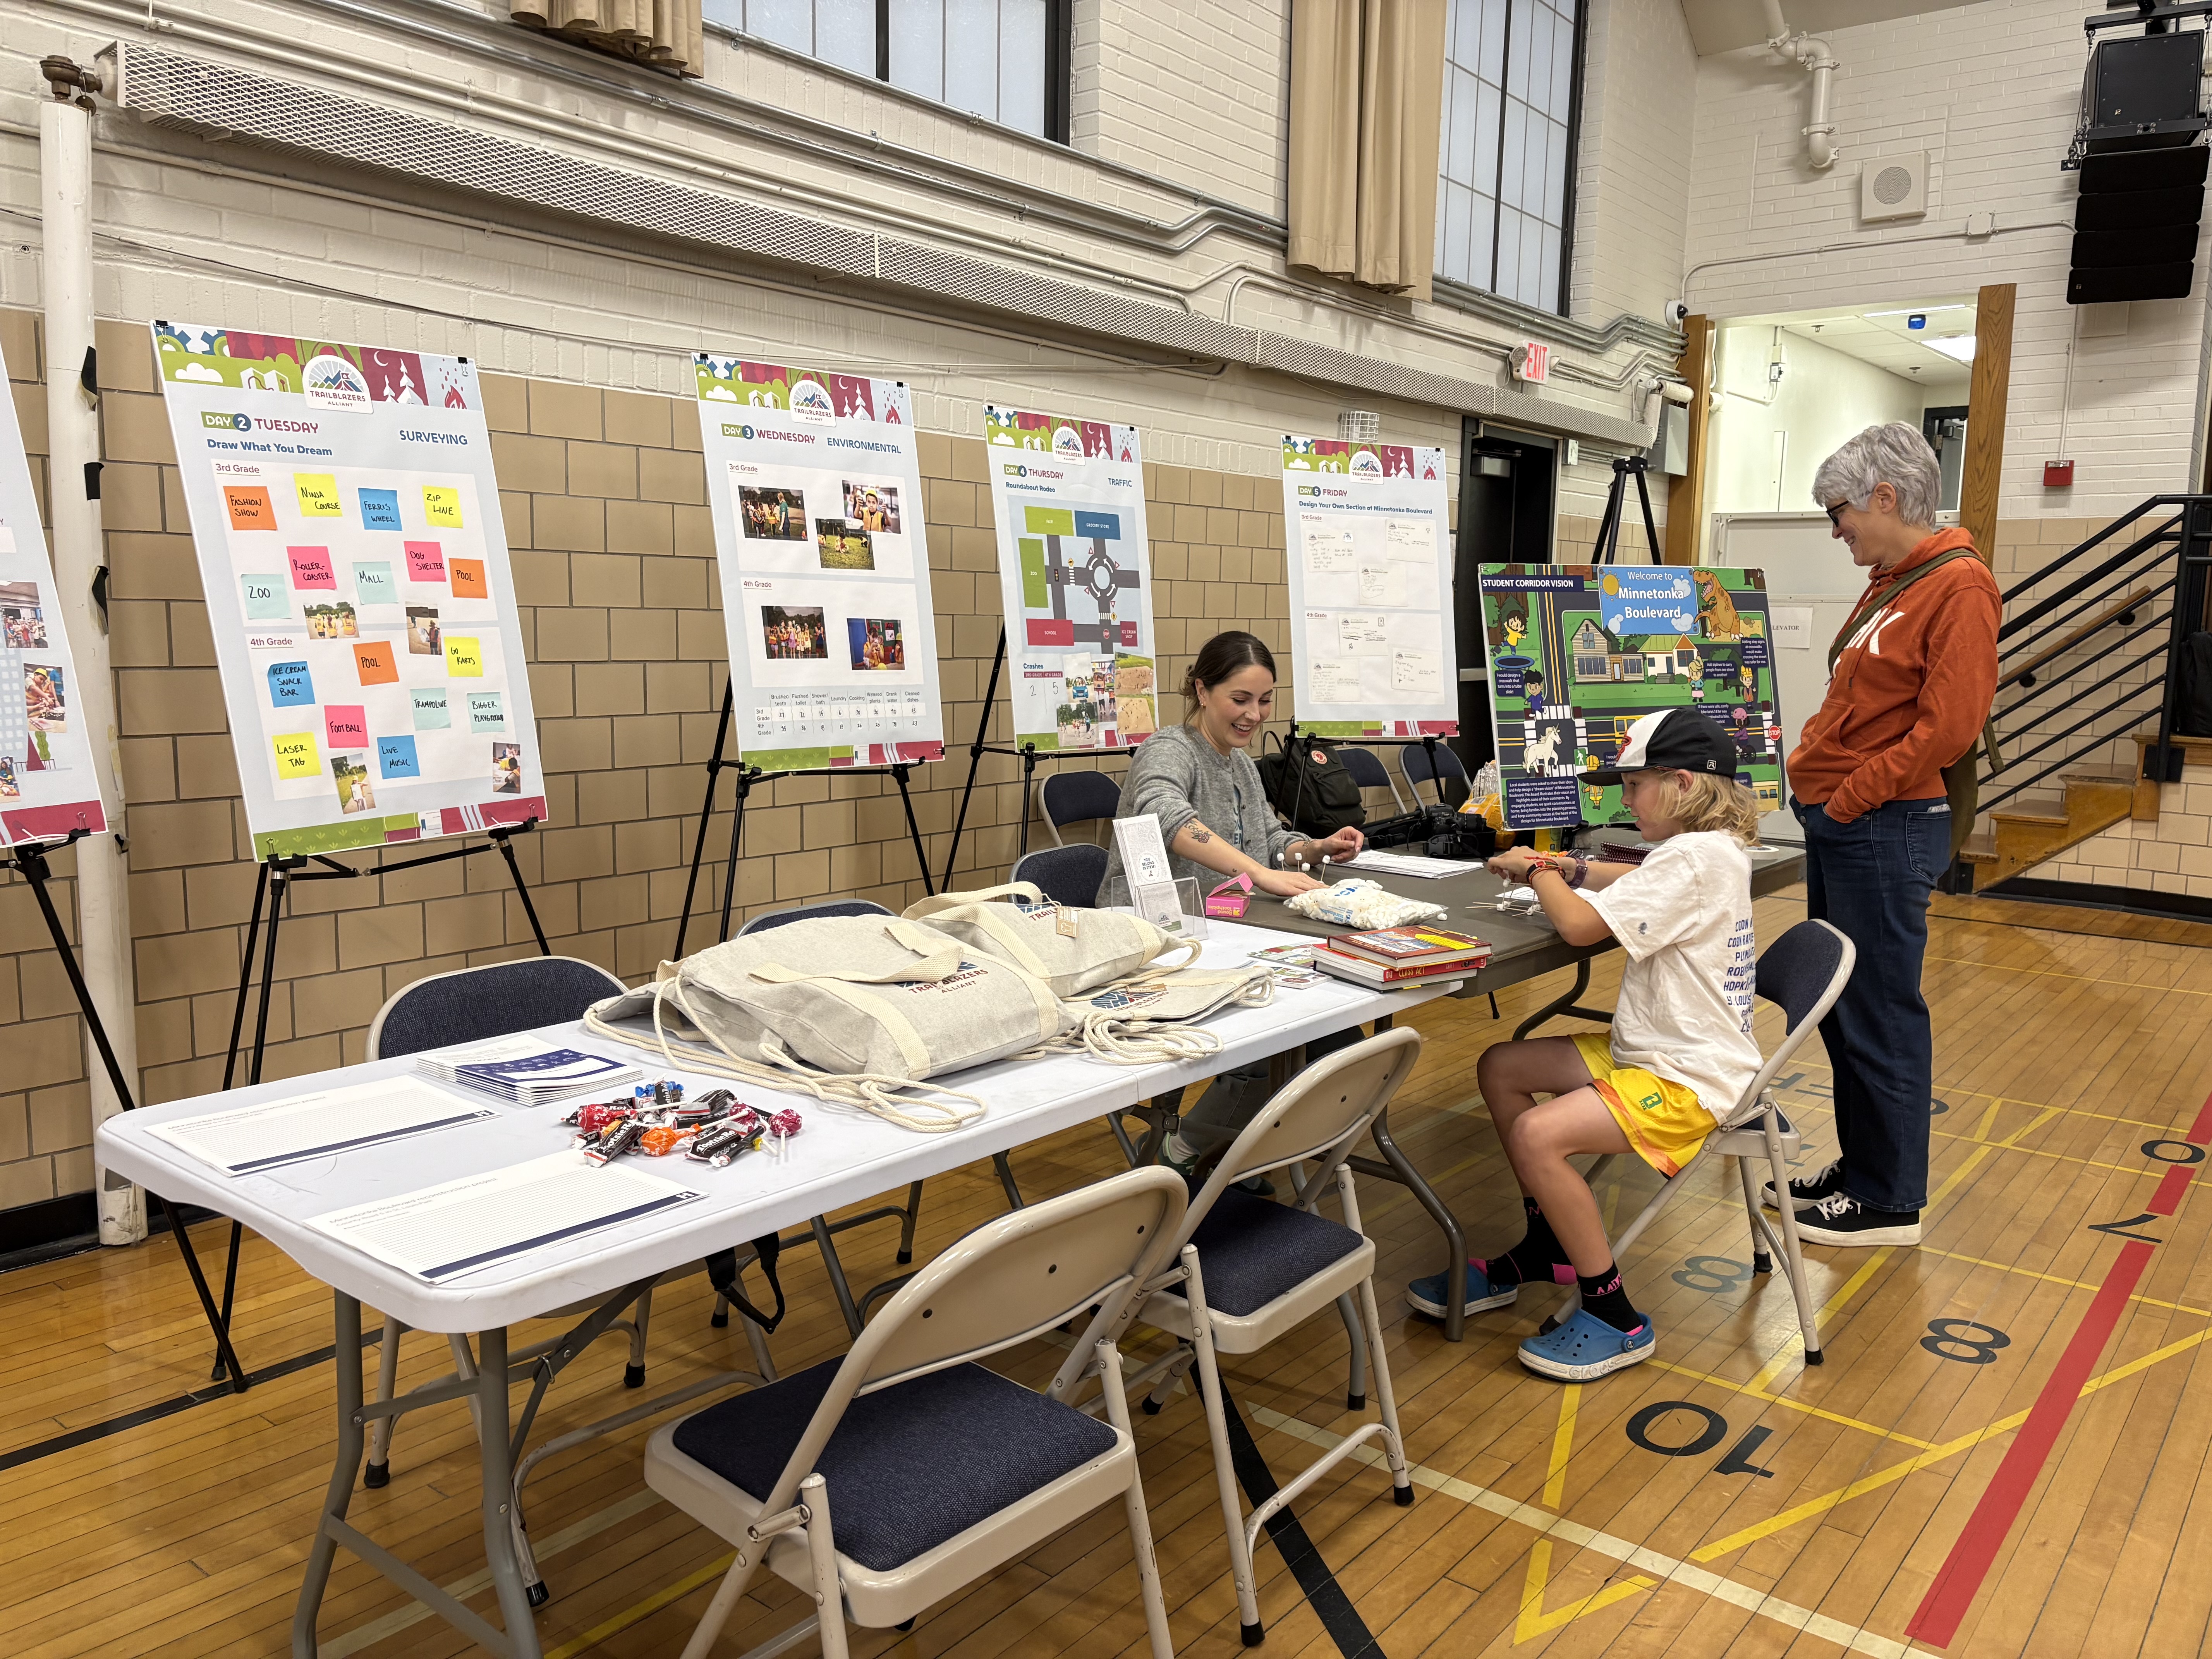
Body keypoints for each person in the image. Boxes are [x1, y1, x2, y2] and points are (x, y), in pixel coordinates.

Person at [1406, 707, 1762, 1381]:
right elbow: (1634, 882)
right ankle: (1548, 1246)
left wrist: (1540, 871)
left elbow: (1575, 928)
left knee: (1539, 1135)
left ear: (1682, 783)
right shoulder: (1710, 849)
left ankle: (1614, 1313)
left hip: (1692, 1081)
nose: (1624, 800)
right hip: (1660, 1051)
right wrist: (1568, 865)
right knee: (1503, 1067)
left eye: (1634, 785)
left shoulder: (1692, 857)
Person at [1776, 422, 1999, 1247]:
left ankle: (1888, 1200)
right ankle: (1867, 1166)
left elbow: (1947, 729)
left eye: (1840, 514)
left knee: (1878, 1013)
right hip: (1849, 824)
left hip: (1882, 825)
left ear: (1884, 496)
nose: (1838, 531)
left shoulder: (1958, 586)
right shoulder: (1897, 580)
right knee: (1844, 1010)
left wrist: (1847, 801)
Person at [1097, 630, 1364, 1173]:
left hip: (1225, 935)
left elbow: (1268, 838)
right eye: (1240, 699)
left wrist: (1313, 847)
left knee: (1336, 1035)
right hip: (1155, 945)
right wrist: (1261, 874)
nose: (1254, 714)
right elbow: (1168, 820)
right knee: (1273, 1047)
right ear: (1202, 690)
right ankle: (1185, 1157)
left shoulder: (1240, 761)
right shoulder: (1169, 751)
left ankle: (1237, 1158)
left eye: (1264, 701)